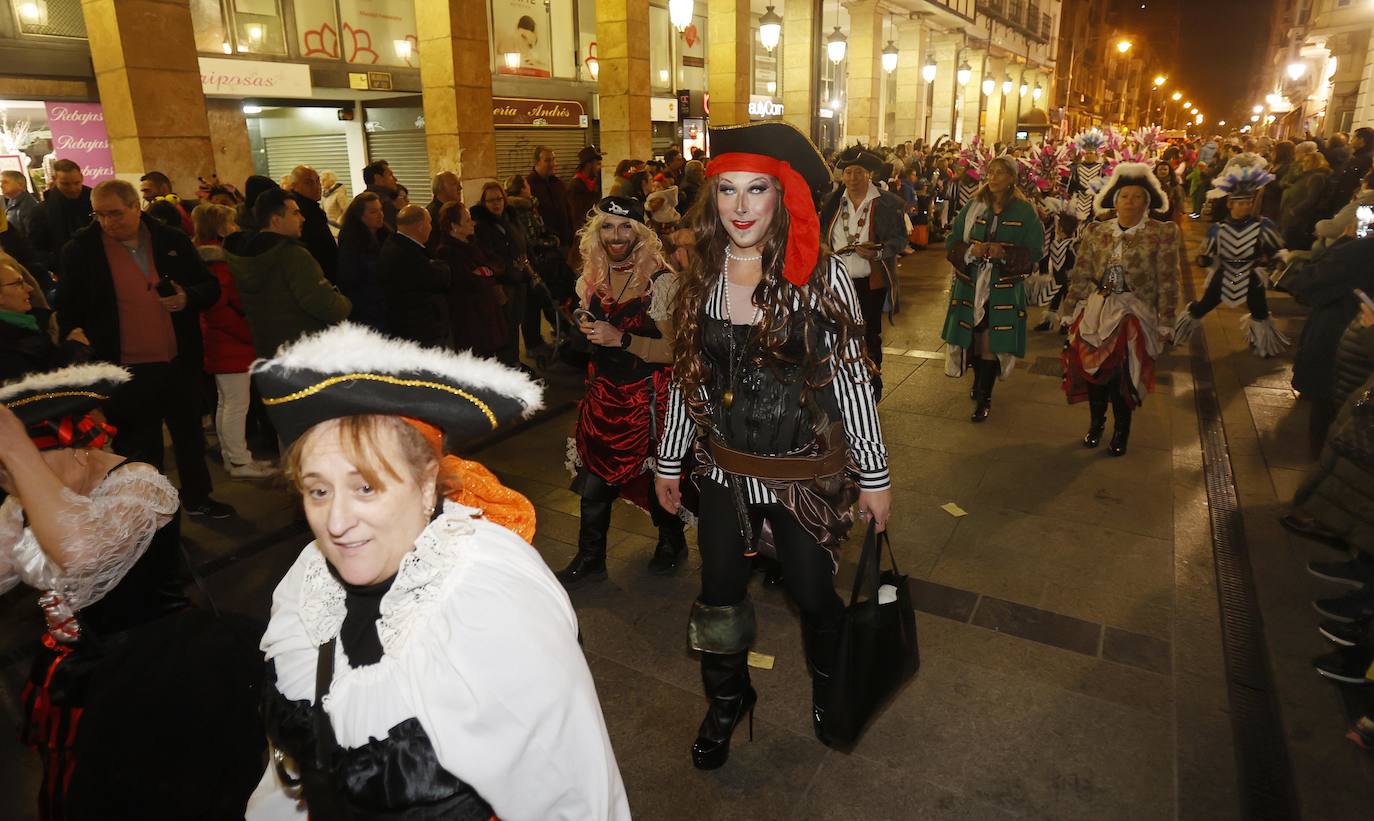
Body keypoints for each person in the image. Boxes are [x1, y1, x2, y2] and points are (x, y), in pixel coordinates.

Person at [244, 323, 630, 820]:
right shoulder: (309, 580)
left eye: (365, 488)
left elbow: (571, 796)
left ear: (428, 485)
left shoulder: (490, 603)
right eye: (318, 491)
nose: (336, 523)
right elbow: (290, 785)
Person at [654, 121, 891, 769]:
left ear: (780, 195)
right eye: (726, 190)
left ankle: (829, 683)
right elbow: (688, 376)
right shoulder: (699, 277)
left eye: (755, 190)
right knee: (720, 598)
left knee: (815, 594)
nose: (738, 206)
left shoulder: (824, 276)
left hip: (802, 477)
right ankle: (729, 699)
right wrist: (670, 457)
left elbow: (849, 375)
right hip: (727, 475)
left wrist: (875, 475)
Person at [0, 364, 265, 820]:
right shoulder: (25, 499)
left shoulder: (138, 484)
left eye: (14, 469)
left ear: (78, 450)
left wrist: (17, 453)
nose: (9, 481)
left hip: (156, 672)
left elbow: (82, 553)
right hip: (74, 669)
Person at [58, 179, 231, 518]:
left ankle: (198, 498)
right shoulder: (80, 250)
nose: (108, 222)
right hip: (123, 367)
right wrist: (74, 333)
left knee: (189, 437)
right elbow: (67, 305)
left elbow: (208, 287)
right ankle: (148, 512)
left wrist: (188, 297)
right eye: (99, 215)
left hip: (177, 361)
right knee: (139, 447)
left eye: (116, 214)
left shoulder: (171, 240)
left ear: (136, 207)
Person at [557, 196, 685, 586]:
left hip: (648, 399)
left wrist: (622, 339)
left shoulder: (662, 282)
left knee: (656, 476)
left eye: (625, 226)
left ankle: (672, 542)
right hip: (603, 397)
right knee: (593, 481)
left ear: (641, 232)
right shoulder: (590, 279)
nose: (616, 235)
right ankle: (591, 557)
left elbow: (676, 350)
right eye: (608, 227)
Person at [1059, 163, 1180, 457]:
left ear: (1147, 201)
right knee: (1094, 373)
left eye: (1137, 196)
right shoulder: (1097, 230)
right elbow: (1082, 270)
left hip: (1135, 314)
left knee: (1123, 377)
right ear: (1115, 198)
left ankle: (1121, 431)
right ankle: (1096, 424)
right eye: (1124, 195)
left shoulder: (1161, 233)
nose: (1129, 201)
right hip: (1097, 310)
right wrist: (1070, 306)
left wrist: (1167, 320)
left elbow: (1168, 278)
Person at [941, 155, 1046, 422]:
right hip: (970, 286)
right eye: (991, 171)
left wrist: (1005, 253)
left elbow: (1035, 253)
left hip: (1002, 289)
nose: (994, 177)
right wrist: (970, 251)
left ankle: (984, 397)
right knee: (974, 339)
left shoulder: (1025, 211)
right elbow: (952, 241)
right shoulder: (974, 206)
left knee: (990, 341)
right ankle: (978, 382)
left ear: (1011, 178)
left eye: (1001, 173)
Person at [1174, 154, 1288, 357]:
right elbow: (1208, 253)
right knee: (1203, 306)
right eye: (1241, 203)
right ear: (1230, 204)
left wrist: (1276, 260)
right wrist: (1204, 260)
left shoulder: (1262, 226)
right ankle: (1178, 332)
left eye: (1249, 203)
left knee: (1259, 310)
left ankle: (1263, 343)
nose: (1246, 206)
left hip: (1251, 275)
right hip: (1224, 273)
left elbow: (1273, 249)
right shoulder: (1218, 228)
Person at [192, 203, 273, 479]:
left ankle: (234, 457)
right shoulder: (217, 263)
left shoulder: (205, 259)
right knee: (236, 404)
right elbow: (220, 310)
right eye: (231, 222)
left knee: (227, 403)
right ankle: (239, 461)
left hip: (223, 343)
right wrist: (248, 332)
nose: (236, 227)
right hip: (230, 343)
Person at [821, 150, 909, 400]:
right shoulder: (832, 202)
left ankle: (872, 384)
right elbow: (819, 235)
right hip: (836, 283)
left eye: (858, 172)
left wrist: (879, 252)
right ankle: (840, 383)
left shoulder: (888, 203)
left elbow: (900, 240)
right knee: (836, 332)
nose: (852, 178)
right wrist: (824, 251)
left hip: (870, 283)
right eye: (848, 172)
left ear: (869, 174)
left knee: (868, 334)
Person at [227, 187, 352, 359]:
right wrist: (345, 302)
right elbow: (326, 305)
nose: (303, 218)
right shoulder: (293, 255)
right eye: (295, 213)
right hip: (304, 352)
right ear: (277, 221)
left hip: (267, 351)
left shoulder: (242, 255)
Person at [434, 201, 508, 356]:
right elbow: (468, 281)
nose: (472, 223)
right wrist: (484, 274)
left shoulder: (473, 243)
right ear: (454, 226)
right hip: (471, 318)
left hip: (486, 311)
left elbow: (494, 265)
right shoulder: (447, 252)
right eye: (467, 220)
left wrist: (484, 272)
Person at [471, 182, 530, 365]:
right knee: (504, 328)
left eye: (499, 199)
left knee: (515, 325)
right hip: (503, 283)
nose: (496, 204)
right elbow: (487, 255)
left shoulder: (510, 219)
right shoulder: (482, 226)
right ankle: (507, 364)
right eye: (491, 201)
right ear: (484, 203)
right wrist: (506, 269)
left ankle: (513, 360)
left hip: (519, 279)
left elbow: (521, 244)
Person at [381, 204, 451, 348]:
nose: (431, 228)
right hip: (419, 329)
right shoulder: (407, 254)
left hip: (408, 327)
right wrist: (441, 267)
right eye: (429, 223)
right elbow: (437, 279)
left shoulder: (393, 245)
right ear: (420, 226)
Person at [334, 192, 391, 333]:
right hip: (366, 308)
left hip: (381, 305)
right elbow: (353, 276)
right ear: (360, 215)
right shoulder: (353, 241)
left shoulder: (384, 235)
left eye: (380, 210)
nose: (380, 215)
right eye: (373, 212)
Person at [29, 159, 92, 275]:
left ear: (82, 178)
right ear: (54, 180)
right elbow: (36, 248)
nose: (73, 189)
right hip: (66, 272)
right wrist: (57, 266)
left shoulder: (95, 201)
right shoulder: (41, 211)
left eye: (77, 183)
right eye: (66, 184)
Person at [1031, 199, 1078, 332]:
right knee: (1056, 300)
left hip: (1067, 279)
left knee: (1067, 302)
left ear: (1061, 229)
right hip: (1058, 278)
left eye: (1058, 227)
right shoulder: (1056, 243)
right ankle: (1049, 322)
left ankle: (1066, 324)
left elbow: (1073, 262)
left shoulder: (1072, 244)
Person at [286, 165, 339, 283]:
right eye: (308, 183)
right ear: (294, 186)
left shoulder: (312, 208)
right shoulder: (300, 211)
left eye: (317, 181)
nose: (316, 186)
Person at [1280, 150, 1332, 251]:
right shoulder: (1308, 175)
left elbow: (1312, 198)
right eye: (1304, 161)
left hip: (1299, 219)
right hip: (1294, 217)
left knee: (1291, 244)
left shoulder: (1317, 177)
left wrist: (1295, 211)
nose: (1304, 164)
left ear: (1316, 163)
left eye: (1308, 161)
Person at [528, 145, 573, 249]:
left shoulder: (558, 184)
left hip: (564, 243)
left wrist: (571, 234)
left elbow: (568, 209)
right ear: (536, 162)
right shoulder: (529, 186)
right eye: (547, 160)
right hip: (545, 247)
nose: (552, 164)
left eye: (553, 160)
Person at [1068, 130, 1108, 225]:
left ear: (1096, 155)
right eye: (1086, 153)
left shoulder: (1102, 168)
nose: (1088, 155)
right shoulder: (1077, 167)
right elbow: (1072, 186)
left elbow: (1105, 186)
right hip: (1079, 201)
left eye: (1091, 153)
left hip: (1094, 202)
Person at [566, 145, 602, 229]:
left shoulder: (594, 183)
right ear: (589, 165)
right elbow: (576, 216)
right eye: (597, 164)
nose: (598, 168)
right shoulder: (576, 186)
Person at [362, 159, 400, 228]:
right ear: (378, 178)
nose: (395, 179)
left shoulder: (360, 200)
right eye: (390, 175)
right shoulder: (384, 203)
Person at [2, 169, 39, 236]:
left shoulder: (28, 206)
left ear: (20, 185)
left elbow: (32, 237)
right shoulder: (12, 201)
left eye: (5, 182)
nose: (1, 185)